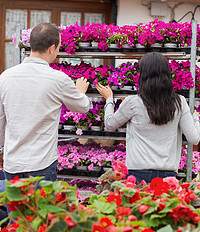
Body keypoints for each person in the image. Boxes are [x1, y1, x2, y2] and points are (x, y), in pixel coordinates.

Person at [0, 22, 91, 182]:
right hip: (41, 164)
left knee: (16, 208)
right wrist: (81, 92)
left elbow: (0, 120)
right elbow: (83, 107)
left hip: (12, 163)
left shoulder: (5, 77)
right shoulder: (58, 79)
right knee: (40, 207)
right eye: (58, 47)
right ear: (51, 48)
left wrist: (1, 150)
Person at [96, 52, 200, 183]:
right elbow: (194, 138)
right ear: (167, 75)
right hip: (168, 176)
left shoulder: (133, 102)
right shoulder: (179, 102)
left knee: (139, 204)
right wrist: (195, 118)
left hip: (137, 174)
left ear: (143, 75)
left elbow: (110, 124)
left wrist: (109, 100)